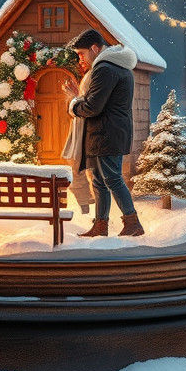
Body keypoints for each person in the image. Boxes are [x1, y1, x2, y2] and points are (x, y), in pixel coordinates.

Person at [62, 29, 143, 237]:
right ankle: (101, 225)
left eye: (81, 53)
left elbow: (92, 107)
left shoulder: (105, 69)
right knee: (99, 180)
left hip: (107, 134)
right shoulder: (117, 67)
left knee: (112, 178)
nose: (80, 58)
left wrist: (73, 102)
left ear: (95, 49)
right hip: (104, 134)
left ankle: (132, 223)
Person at [61, 64, 96, 215]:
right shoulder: (89, 74)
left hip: (86, 130)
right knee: (76, 170)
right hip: (79, 129)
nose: (80, 60)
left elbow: (89, 105)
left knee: (83, 171)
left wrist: (74, 97)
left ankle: (90, 209)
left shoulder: (96, 74)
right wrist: (75, 95)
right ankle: (85, 206)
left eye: (82, 54)